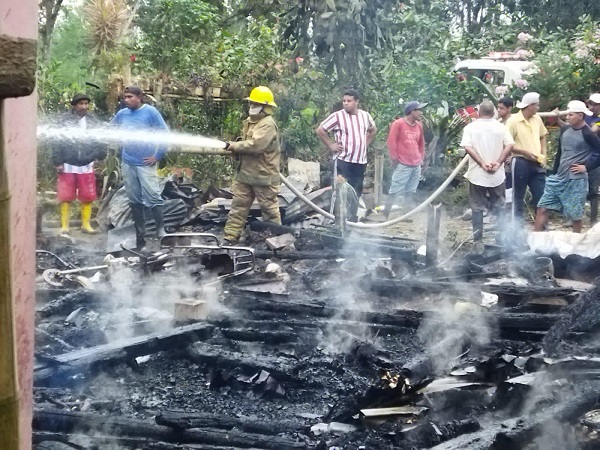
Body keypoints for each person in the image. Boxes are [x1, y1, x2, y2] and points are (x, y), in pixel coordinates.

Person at [111, 86, 169, 249]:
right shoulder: (122, 114)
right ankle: (140, 233)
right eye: (125, 97)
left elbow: (165, 135)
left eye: (130, 97)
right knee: (134, 199)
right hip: (128, 162)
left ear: (139, 97)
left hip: (145, 163)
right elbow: (110, 129)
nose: (126, 100)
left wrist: (157, 156)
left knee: (153, 196)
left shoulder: (150, 112)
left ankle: (160, 230)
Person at [222, 86, 281, 245]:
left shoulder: (267, 124)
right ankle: (229, 238)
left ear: (266, 107)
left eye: (256, 104)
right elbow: (245, 143)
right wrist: (235, 148)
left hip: (263, 176)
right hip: (245, 175)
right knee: (237, 209)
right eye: (251, 103)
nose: (252, 107)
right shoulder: (250, 122)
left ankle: (276, 243)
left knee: (269, 212)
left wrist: (234, 146)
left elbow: (256, 145)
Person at [534, 101, 600, 233]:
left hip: (576, 179)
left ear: (580, 116)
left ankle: (575, 245)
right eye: (567, 115)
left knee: (576, 215)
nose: (567, 117)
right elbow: (560, 152)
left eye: (571, 115)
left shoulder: (588, 133)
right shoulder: (565, 129)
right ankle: (534, 240)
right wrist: (554, 171)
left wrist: (586, 167)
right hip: (559, 177)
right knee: (542, 207)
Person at [316, 89, 377, 222]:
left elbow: (373, 130)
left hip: (360, 161)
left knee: (357, 190)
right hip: (343, 160)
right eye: (344, 101)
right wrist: (331, 145)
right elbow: (321, 130)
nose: (345, 103)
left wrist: (365, 144)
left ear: (356, 102)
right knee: (341, 190)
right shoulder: (338, 116)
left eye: (349, 101)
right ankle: (338, 219)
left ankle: (352, 218)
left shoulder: (365, 116)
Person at [52, 93, 107, 235]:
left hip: (86, 163)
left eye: (86, 104)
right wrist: (57, 161)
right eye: (80, 104)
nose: (84, 107)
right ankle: (65, 226)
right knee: (66, 195)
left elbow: (100, 138)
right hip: (67, 163)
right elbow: (57, 141)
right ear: (74, 105)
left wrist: (100, 154)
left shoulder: (93, 120)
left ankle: (86, 224)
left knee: (87, 194)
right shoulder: (64, 120)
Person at [459, 101, 514, 240]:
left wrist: (482, 164)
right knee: (500, 205)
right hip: (497, 175)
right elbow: (510, 145)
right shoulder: (501, 127)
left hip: (478, 174)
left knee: (477, 207)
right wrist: (498, 162)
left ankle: (478, 240)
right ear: (493, 113)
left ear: (479, 113)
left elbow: (467, 147)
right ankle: (501, 239)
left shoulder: (471, 127)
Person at [505, 92, 548, 221]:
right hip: (520, 161)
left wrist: (544, 154)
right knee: (517, 197)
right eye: (537, 105)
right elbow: (507, 143)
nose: (538, 108)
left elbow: (542, 136)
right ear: (530, 106)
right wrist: (524, 152)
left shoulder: (537, 119)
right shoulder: (513, 121)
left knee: (541, 198)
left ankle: (542, 229)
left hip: (537, 162)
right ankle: (516, 230)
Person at [382, 100, 427, 219]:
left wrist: (421, 158)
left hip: (416, 164)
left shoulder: (419, 126)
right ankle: (385, 214)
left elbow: (421, 143)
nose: (421, 113)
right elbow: (391, 142)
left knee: (411, 191)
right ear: (412, 112)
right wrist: (394, 159)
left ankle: (405, 215)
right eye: (419, 110)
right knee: (395, 189)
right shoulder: (398, 124)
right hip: (403, 163)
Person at [497, 97, 515, 210]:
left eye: (501, 108)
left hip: (509, 160)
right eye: (498, 107)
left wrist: (513, 156)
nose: (498, 110)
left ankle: (507, 213)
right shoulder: (499, 123)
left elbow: (518, 141)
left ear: (509, 108)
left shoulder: (512, 122)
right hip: (500, 160)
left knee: (508, 186)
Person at [585, 94, 600, 223]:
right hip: (583, 156)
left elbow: (592, 131)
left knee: (593, 190)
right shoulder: (585, 117)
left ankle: (593, 220)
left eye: (596, 104)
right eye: (592, 104)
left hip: (596, 158)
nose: (593, 107)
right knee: (577, 187)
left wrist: (579, 121)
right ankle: (574, 217)